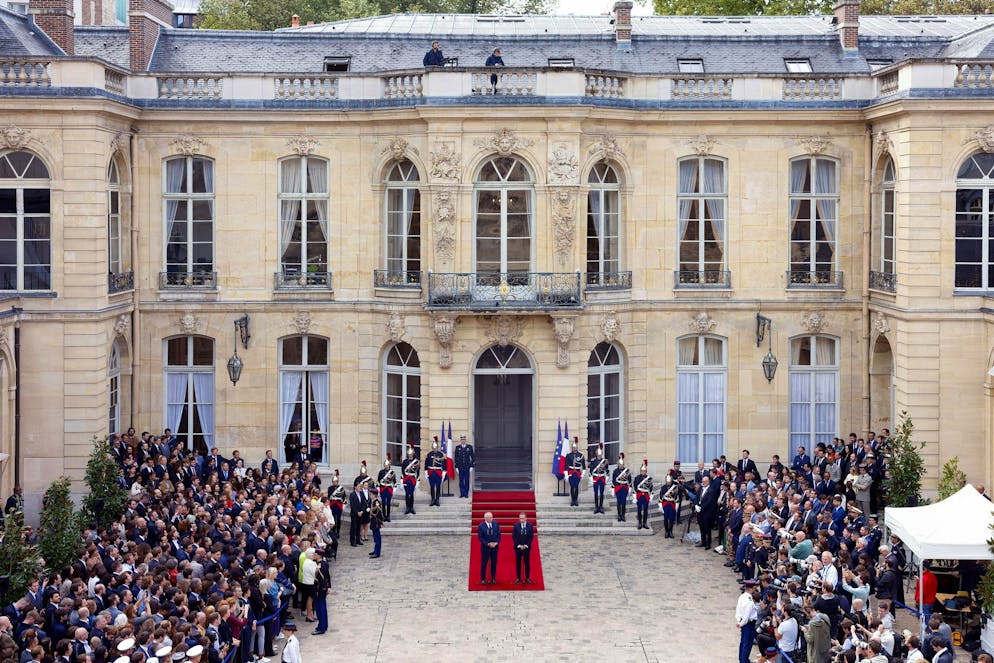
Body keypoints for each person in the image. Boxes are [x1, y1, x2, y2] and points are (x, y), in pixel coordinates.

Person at [735, 579, 759, 663]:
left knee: (743, 643)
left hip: (743, 622)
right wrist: (741, 624)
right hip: (749, 624)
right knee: (747, 644)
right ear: (751, 589)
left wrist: (738, 621)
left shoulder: (742, 597)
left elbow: (738, 610)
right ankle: (744, 661)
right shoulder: (750, 601)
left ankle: (742, 659)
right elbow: (746, 616)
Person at [695, 474, 719, 550]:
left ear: (708, 482)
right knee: (701, 527)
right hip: (700, 513)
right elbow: (696, 497)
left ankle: (708, 544)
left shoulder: (711, 491)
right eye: (702, 481)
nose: (703, 483)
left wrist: (701, 507)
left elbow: (709, 502)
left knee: (707, 529)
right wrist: (696, 505)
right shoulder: (700, 489)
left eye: (705, 481)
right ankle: (703, 542)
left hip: (707, 513)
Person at [477, 511, 500, 585]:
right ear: (485, 518)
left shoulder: (496, 524)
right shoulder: (481, 526)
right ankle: (483, 579)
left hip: (494, 547)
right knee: (484, 563)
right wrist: (488, 544)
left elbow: (498, 534)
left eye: (492, 517)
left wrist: (496, 543)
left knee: (494, 563)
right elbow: (480, 537)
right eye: (489, 517)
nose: (491, 518)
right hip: (485, 548)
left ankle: (493, 578)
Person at [512, 512, 534, 584]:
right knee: (518, 563)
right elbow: (514, 536)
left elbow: (531, 536)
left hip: (526, 547)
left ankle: (527, 578)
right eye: (520, 518)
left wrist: (526, 545)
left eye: (523, 518)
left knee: (527, 563)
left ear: (526, 518)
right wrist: (519, 545)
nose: (521, 520)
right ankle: (518, 578)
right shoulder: (516, 525)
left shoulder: (530, 526)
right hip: (518, 548)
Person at [311, 549, 329, 635]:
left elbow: (323, 579)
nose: (314, 555)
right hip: (322, 589)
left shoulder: (321, 566)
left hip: (319, 589)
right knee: (322, 608)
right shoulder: (324, 563)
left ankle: (321, 627)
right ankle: (324, 625)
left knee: (320, 608)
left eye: (315, 554)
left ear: (319, 556)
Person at [564, 438, 585, 507]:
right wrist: (566, 475)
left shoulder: (581, 455)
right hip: (571, 472)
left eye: (575, 447)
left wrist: (583, 474)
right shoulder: (568, 455)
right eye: (573, 447)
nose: (574, 448)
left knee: (576, 486)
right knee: (572, 486)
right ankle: (572, 500)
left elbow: (584, 466)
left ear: (577, 448)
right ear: (572, 448)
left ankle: (576, 499)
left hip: (578, 473)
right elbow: (566, 466)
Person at [425, 438, 446, 507]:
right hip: (431, 472)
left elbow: (444, 464)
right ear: (432, 448)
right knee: (432, 486)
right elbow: (426, 463)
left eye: (436, 447)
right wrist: (426, 472)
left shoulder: (441, 454)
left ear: (438, 447)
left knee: (438, 486)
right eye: (433, 447)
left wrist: (444, 473)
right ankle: (432, 499)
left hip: (438, 472)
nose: (435, 449)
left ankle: (437, 500)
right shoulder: (429, 454)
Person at [633, 460, 653, 530]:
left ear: (646, 471)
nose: (643, 472)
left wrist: (651, 495)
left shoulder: (649, 478)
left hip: (646, 496)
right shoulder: (637, 478)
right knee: (639, 510)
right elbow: (635, 487)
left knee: (645, 510)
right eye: (642, 471)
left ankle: (645, 523)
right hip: (639, 495)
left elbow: (651, 487)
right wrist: (635, 495)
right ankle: (639, 523)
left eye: (644, 471)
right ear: (640, 471)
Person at [348, 478, 369, 547]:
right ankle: (352, 541)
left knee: (358, 528)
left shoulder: (361, 494)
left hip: (361, 513)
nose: (360, 488)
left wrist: (362, 511)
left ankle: (358, 540)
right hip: (354, 514)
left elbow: (364, 503)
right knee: (353, 528)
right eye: (359, 486)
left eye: (360, 486)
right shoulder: (352, 495)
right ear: (355, 487)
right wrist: (357, 512)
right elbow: (352, 505)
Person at [611, 453, 632, 522]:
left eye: (622, 464)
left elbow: (630, 480)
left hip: (625, 488)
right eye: (620, 464)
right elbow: (613, 480)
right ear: (618, 464)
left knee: (623, 502)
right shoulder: (615, 471)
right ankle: (619, 515)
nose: (621, 465)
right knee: (618, 502)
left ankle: (623, 515)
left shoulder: (627, 471)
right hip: (618, 488)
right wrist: (613, 488)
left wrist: (630, 488)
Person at [589, 443, 609, 514]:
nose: (599, 456)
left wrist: (607, 477)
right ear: (596, 454)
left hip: (602, 478)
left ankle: (601, 506)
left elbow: (607, 470)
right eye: (598, 454)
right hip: (596, 478)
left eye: (600, 454)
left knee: (601, 493)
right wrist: (591, 478)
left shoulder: (605, 461)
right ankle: (596, 506)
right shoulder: (593, 461)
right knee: (596, 493)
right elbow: (591, 470)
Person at [401, 445, 420, 515]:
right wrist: (402, 479)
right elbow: (402, 471)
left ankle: (411, 507)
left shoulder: (416, 462)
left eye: (411, 454)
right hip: (406, 479)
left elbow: (417, 471)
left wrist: (417, 479)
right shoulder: (404, 462)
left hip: (412, 479)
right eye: (409, 454)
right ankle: (407, 507)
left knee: (411, 494)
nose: (410, 455)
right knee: (406, 494)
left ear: (413, 454)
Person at [376, 457, 396, 522]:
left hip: (389, 489)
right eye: (385, 465)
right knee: (384, 503)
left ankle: (388, 516)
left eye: (387, 465)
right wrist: (378, 485)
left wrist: (395, 487)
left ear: (389, 465)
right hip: (382, 489)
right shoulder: (381, 472)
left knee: (388, 503)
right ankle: (384, 516)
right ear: (384, 465)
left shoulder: (392, 472)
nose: (386, 466)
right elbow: (378, 480)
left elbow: (394, 481)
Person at [328, 470, 346, 535]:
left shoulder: (341, 488)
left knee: (338, 519)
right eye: (333, 481)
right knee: (332, 519)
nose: (334, 482)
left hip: (338, 505)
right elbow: (329, 496)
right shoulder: (330, 488)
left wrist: (344, 505)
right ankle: (333, 531)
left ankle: (338, 532)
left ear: (337, 482)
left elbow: (344, 497)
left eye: (336, 481)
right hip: (332, 504)